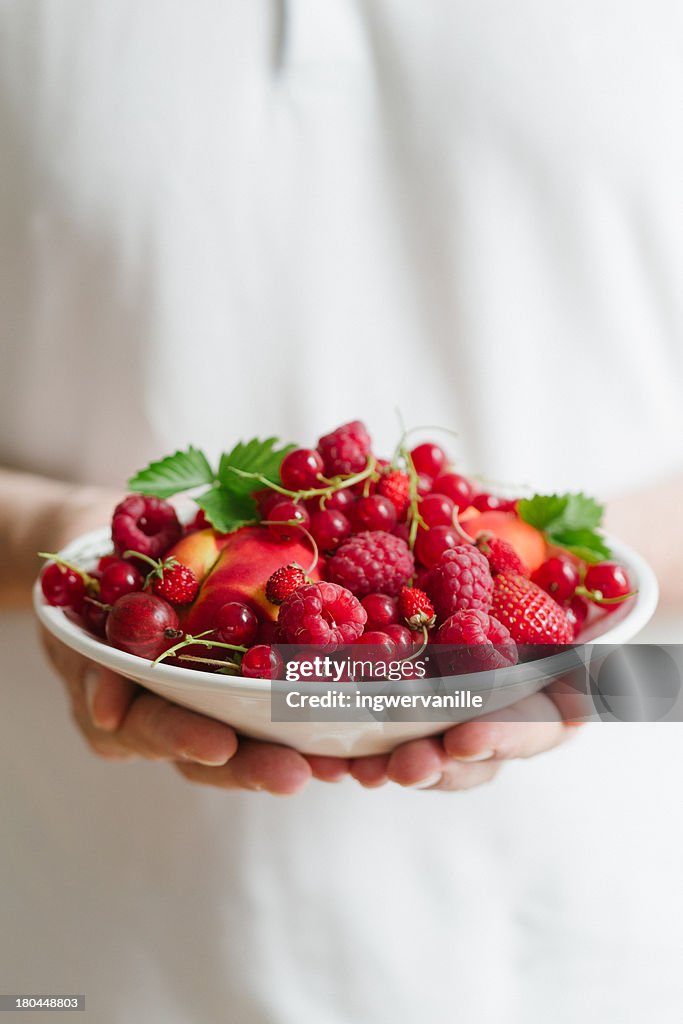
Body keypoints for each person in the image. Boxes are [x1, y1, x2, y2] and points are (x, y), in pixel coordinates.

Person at [2, 2, 683, 1021]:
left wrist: (605, 658)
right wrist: (40, 539)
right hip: (87, 954)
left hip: (603, 950)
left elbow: (603, 615)